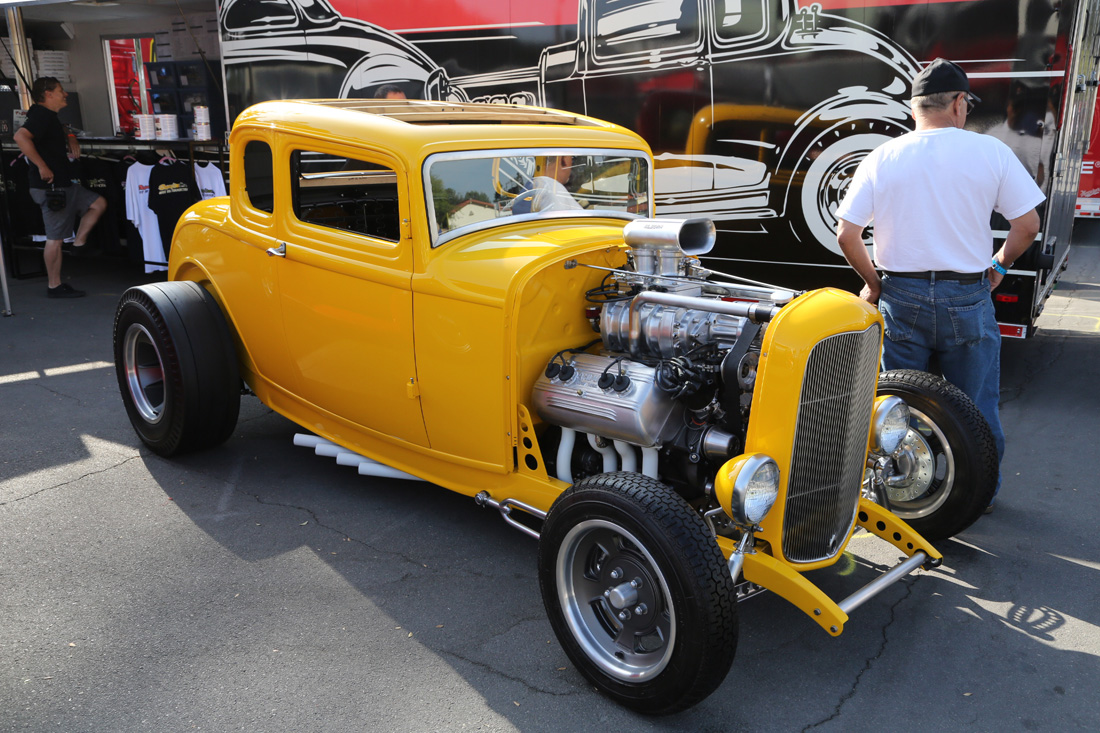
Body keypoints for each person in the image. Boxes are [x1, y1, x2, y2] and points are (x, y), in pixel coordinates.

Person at [835, 58, 1045, 509]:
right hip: (967, 296)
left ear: (916, 108)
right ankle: (979, 496)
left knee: (902, 404)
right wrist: (1000, 267)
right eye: (966, 103)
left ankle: (904, 490)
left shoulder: (883, 155)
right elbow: (1027, 225)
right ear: (956, 104)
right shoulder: (990, 152)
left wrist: (873, 283)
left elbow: (847, 234)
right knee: (975, 408)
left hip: (900, 296)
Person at [13, 77, 106, 298]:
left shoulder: (45, 115)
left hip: (64, 185)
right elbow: (20, 136)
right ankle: (54, 286)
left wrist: (71, 135)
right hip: (51, 187)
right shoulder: (41, 115)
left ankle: (79, 243)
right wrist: (42, 166)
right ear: (48, 94)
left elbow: (57, 128)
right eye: (61, 90)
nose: (65, 94)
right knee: (54, 238)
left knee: (97, 203)